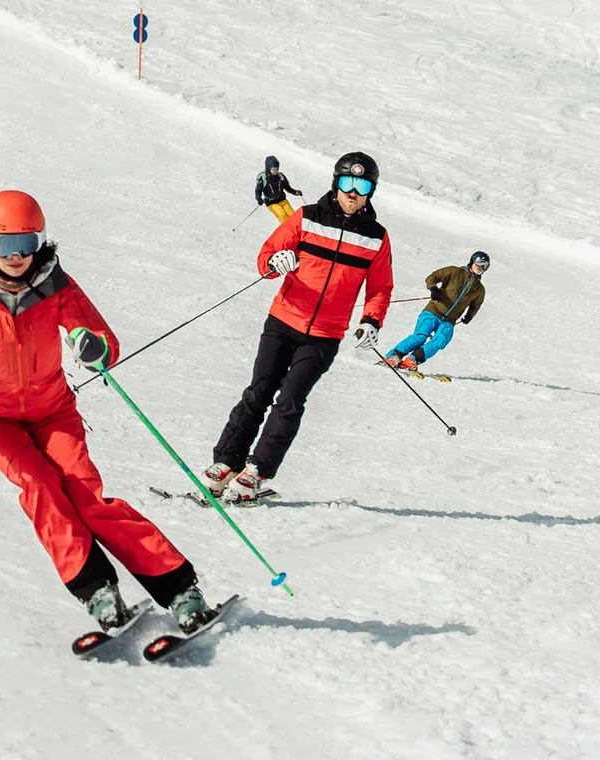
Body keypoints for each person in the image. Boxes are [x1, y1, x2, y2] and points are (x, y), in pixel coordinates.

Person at [0, 190, 218, 634]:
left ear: (40, 241)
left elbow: (100, 338)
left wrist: (92, 346)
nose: (16, 256)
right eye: (3, 245)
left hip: (53, 412)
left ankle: (179, 589)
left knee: (86, 496)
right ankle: (97, 590)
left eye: (26, 243)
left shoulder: (56, 285)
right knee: (40, 485)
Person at [203, 152, 395, 504]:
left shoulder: (376, 238)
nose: (353, 193)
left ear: (371, 191)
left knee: (290, 401)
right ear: (336, 183)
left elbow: (380, 287)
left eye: (362, 186)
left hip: (324, 335)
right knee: (258, 393)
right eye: (347, 183)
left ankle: (256, 471)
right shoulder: (307, 218)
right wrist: (275, 262)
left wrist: (371, 320)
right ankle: (226, 462)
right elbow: (268, 255)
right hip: (284, 321)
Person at [382, 251, 490, 371]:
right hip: (433, 311)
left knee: (441, 341)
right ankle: (393, 356)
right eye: (479, 263)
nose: (481, 267)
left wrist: (469, 316)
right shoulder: (455, 271)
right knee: (420, 336)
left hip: (449, 321)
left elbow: (476, 305)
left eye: (484, 265)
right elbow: (432, 277)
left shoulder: (479, 290)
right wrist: (433, 289)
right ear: (472, 261)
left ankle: (412, 359)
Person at [253, 156, 304, 222]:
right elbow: (258, 191)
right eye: (273, 169)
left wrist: (295, 192)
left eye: (277, 169)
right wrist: (259, 199)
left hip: (282, 199)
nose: (275, 171)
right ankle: (287, 228)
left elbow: (287, 187)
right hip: (271, 202)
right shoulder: (263, 178)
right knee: (281, 214)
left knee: (292, 214)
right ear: (268, 168)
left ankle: (296, 227)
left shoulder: (280, 176)